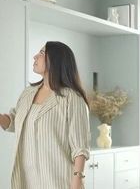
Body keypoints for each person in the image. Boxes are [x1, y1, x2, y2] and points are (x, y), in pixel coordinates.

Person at [0, 41, 91, 189]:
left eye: (42, 53)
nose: (35, 57)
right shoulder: (28, 93)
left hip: (58, 180)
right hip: (25, 180)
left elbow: (80, 147)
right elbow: (14, 121)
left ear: (56, 60)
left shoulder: (72, 98)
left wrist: (77, 180)